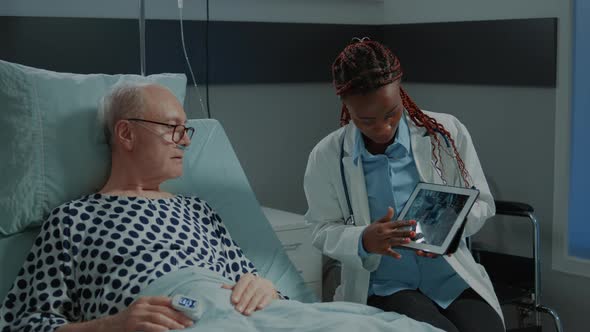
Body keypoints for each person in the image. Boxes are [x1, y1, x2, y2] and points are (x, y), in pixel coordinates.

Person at [0, 83, 281, 332]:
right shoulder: (73, 219)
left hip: (243, 318)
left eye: (185, 129)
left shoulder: (200, 211)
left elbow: (253, 285)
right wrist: (110, 326)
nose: (186, 141)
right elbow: (24, 324)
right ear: (126, 133)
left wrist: (267, 290)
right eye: (173, 128)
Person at [303, 38, 505, 332]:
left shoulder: (445, 133)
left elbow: (483, 203)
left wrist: (446, 229)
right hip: (387, 286)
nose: (383, 128)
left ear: (401, 92)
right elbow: (320, 229)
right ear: (347, 108)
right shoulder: (327, 156)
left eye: (391, 113)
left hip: (451, 277)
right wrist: (363, 240)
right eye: (366, 120)